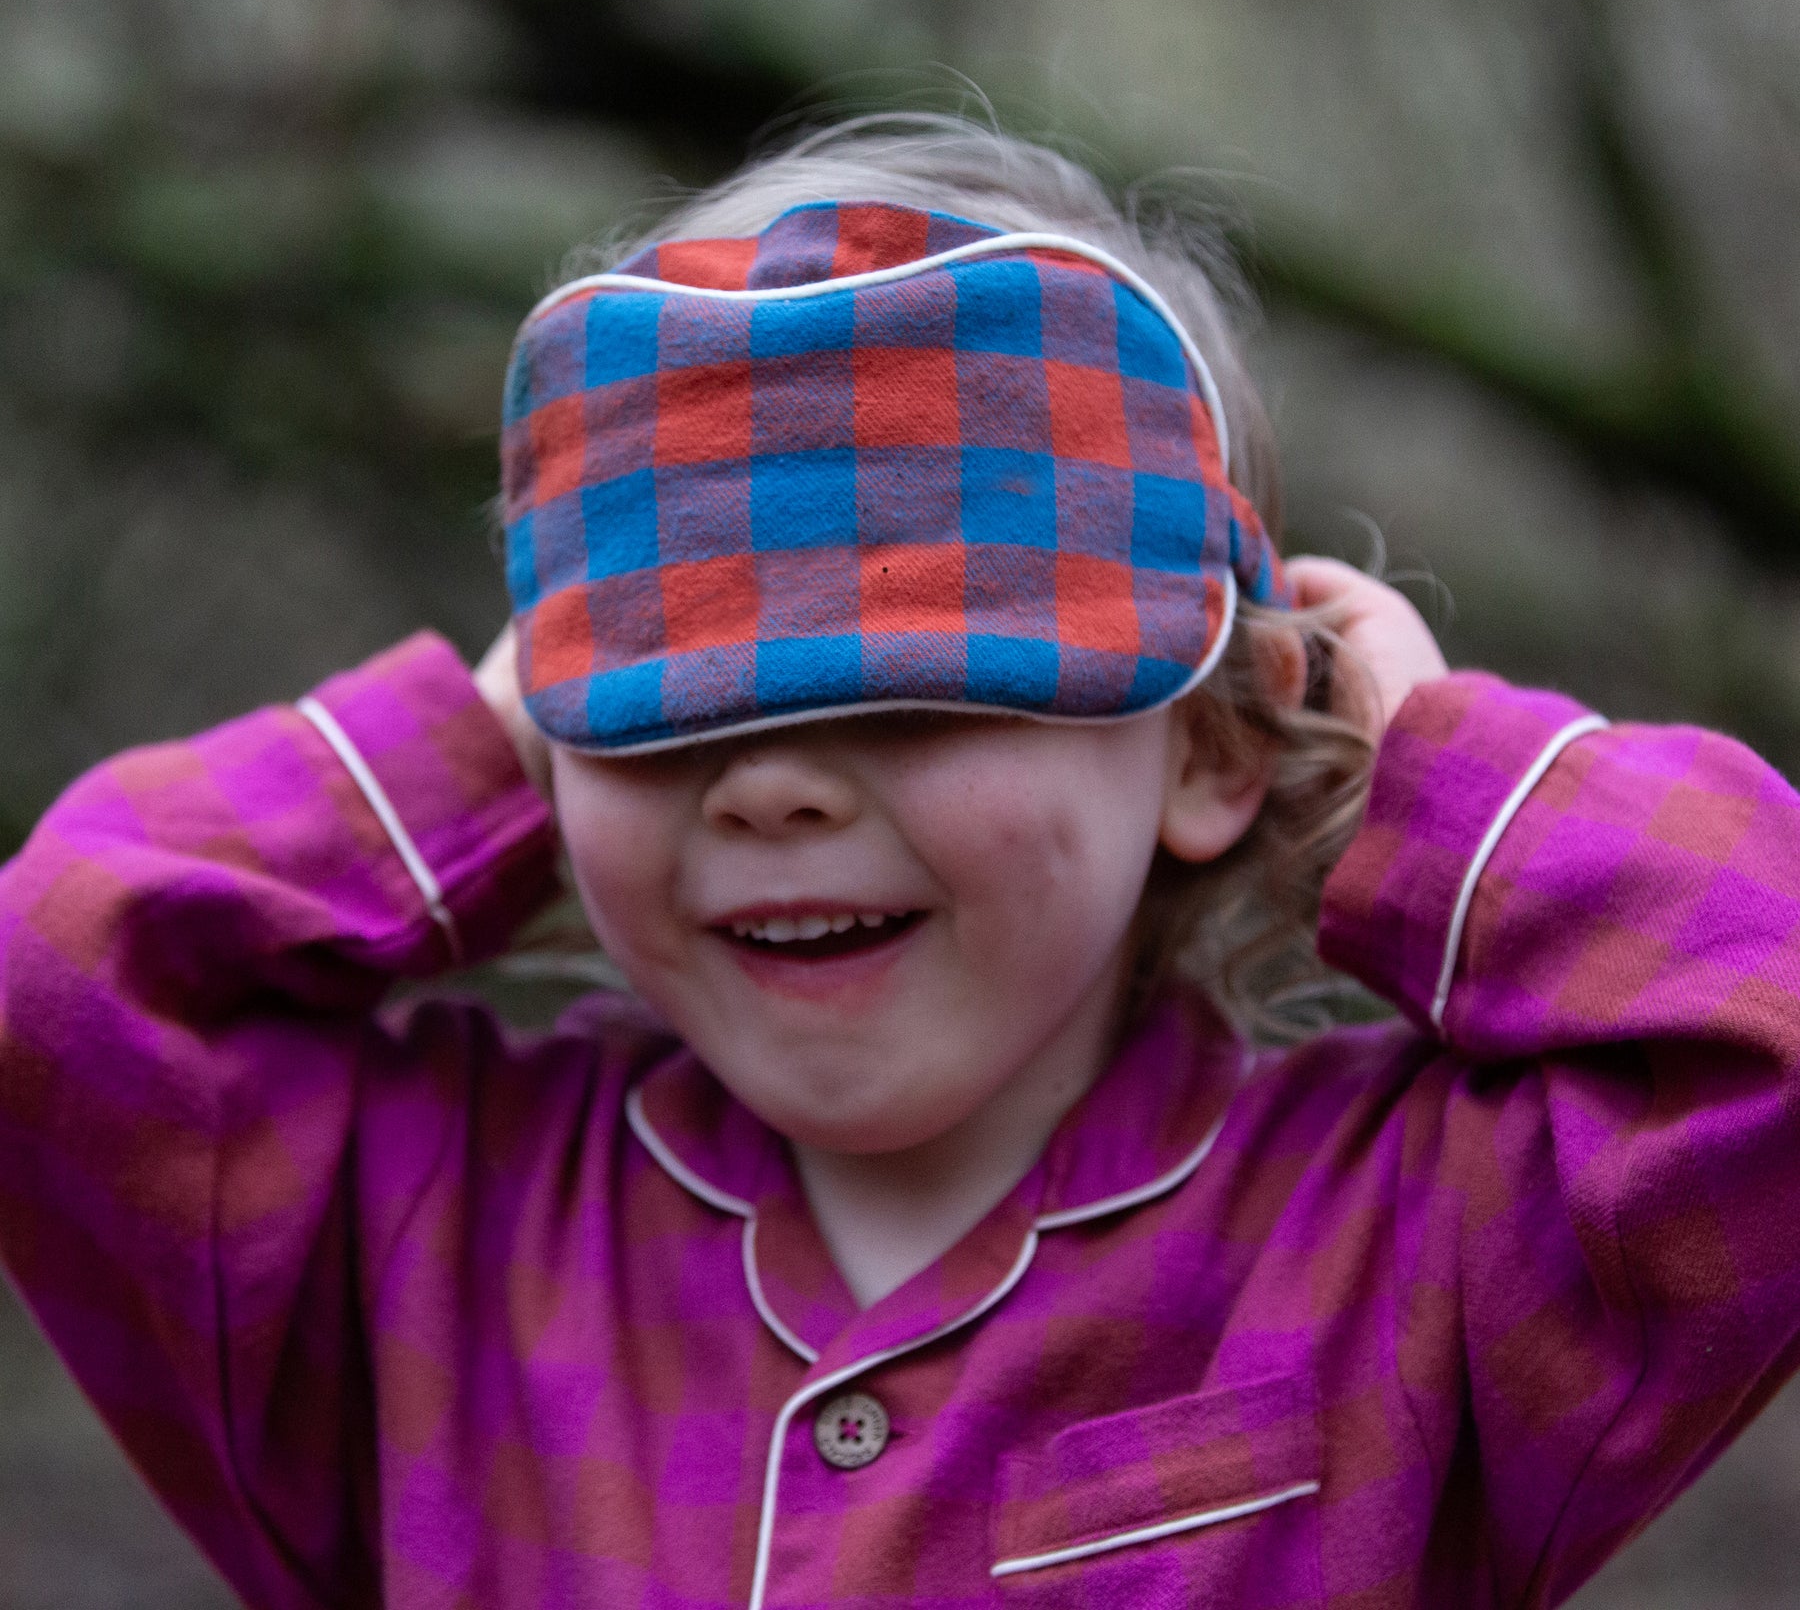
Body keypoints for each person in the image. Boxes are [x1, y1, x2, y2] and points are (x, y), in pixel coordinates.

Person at [3, 117, 1797, 1610]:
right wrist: (466, 761)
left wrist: (1431, 776)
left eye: (918, 690)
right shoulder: (432, 1240)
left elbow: (1767, 1019)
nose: (770, 786)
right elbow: (58, 984)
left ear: (1212, 746)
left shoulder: (1406, 1253)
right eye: (658, 700)